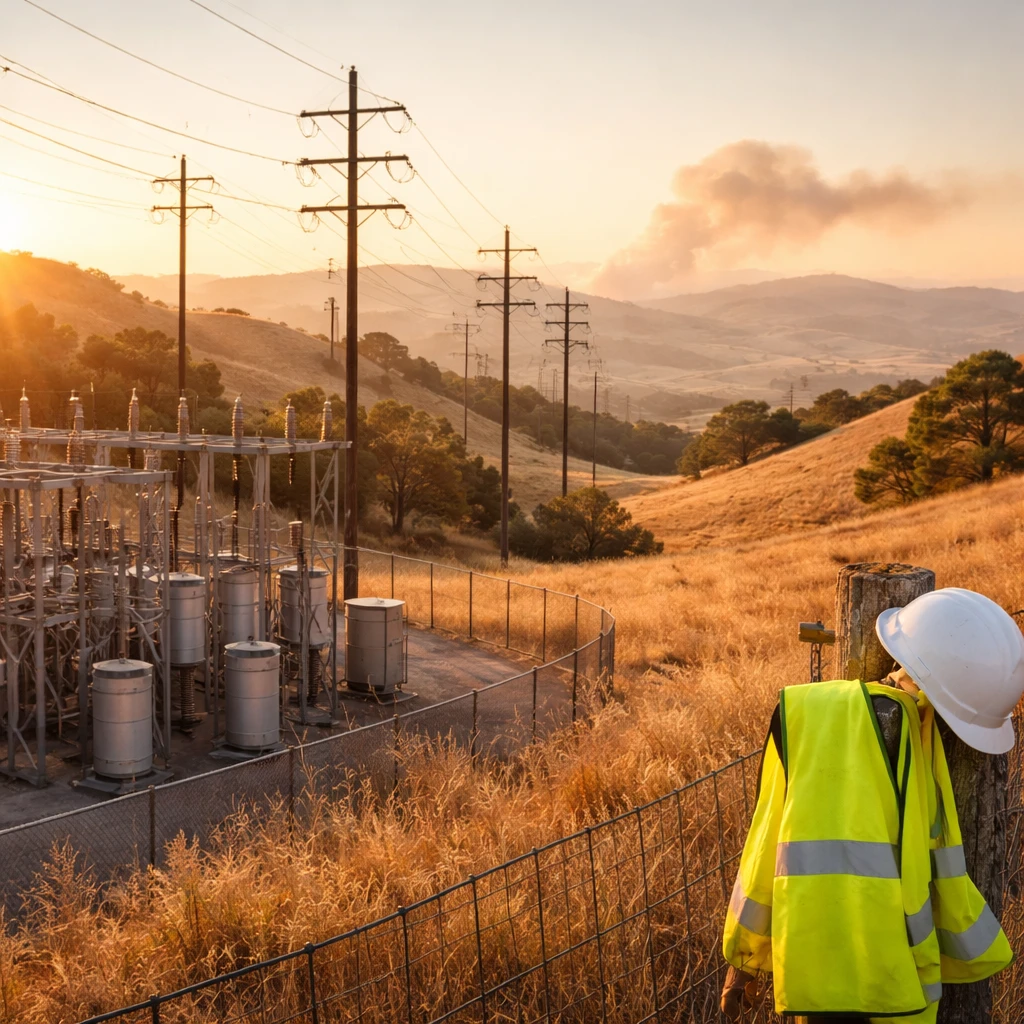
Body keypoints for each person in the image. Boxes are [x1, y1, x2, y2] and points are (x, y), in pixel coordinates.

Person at [720, 587, 1023, 1022]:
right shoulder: (906, 735)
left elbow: (767, 842)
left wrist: (743, 960)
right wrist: (742, 963)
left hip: (819, 976)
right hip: (896, 990)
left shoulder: (813, 719)